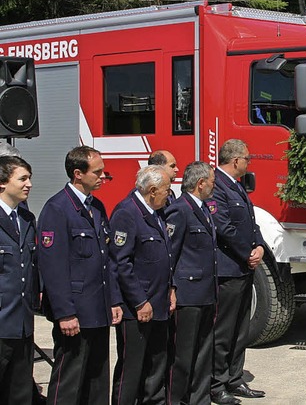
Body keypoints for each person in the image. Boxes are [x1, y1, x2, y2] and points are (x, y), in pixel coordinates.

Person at [38, 146, 122, 404]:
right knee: (69, 379)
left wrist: (114, 300)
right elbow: (53, 267)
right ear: (78, 174)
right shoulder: (58, 208)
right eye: (97, 172)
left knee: (97, 379)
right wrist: (64, 313)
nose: (102, 177)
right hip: (74, 311)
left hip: (97, 308)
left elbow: (107, 259)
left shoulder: (96, 206)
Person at [110, 165, 173, 404]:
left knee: (156, 364)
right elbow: (121, 263)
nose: (170, 193)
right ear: (153, 190)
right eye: (167, 189)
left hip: (159, 302)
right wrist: (139, 301)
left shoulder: (157, 211)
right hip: (137, 308)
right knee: (132, 368)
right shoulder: (127, 213)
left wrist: (171, 290)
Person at [211, 139, 266, 404]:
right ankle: (218, 383)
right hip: (228, 268)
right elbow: (224, 228)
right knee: (224, 329)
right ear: (235, 161)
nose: (249, 162)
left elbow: (250, 220)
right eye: (247, 158)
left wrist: (259, 247)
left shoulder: (236, 185)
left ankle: (235, 379)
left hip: (244, 267)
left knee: (240, 329)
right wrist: (247, 252)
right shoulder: (216, 185)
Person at [166, 161, 218, 405]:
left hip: (206, 291)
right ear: (200, 184)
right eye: (211, 181)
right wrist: (171, 288)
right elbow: (170, 254)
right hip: (188, 293)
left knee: (204, 351)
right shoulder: (180, 210)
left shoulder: (204, 208)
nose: (213, 186)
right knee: (183, 355)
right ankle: (177, 399)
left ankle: (200, 398)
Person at [0, 156, 38, 405]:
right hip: (2, 322)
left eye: (29, 178)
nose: (29, 184)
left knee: (20, 392)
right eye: (22, 179)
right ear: (2, 183)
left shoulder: (26, 219)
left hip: (23, 322)